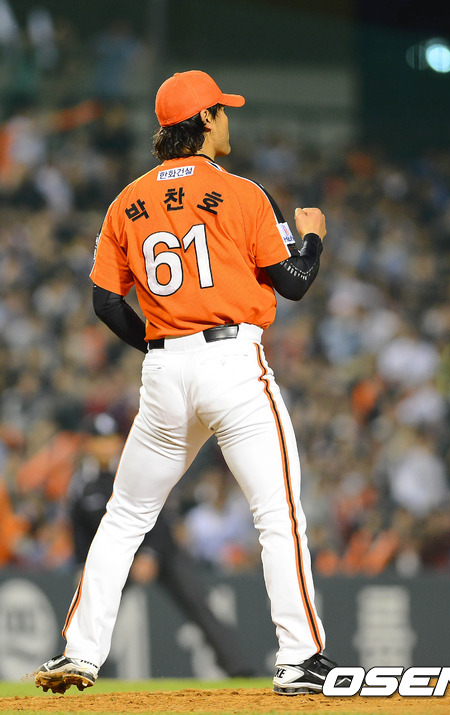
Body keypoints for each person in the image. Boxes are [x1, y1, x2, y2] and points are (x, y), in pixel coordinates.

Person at [35, 69, 340, 696]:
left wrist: (160, 344)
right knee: (277, 513)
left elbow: (104, 302)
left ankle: (80, 653)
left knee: (124, 516)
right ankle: (300, 658)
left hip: (164, 374)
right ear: (204, 119)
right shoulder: (241, 193)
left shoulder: (126, 202)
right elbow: (294, 283)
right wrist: (312, 238)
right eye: (222, 110)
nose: (228, 118)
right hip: (232, 364)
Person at [69, 412, 255, 678]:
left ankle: (239, 669)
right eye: (99, 440)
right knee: (93, 605)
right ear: (88, 444)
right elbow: (80, 529)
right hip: (118, 555)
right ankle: (85, 668)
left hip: (160, 548)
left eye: (110, 439)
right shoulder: (81, 483)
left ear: (119, 441)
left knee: (197, 603)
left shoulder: (133, 466)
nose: (105, 446)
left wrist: (150, 553)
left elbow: (161, 511)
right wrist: (82, 565)